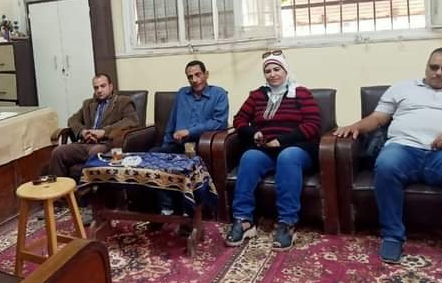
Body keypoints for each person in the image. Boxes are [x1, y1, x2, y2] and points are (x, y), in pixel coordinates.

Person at [334, 47, 442, 271]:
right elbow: (378, 118)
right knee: (386, 165)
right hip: (403, 147)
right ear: (426, 67)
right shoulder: (402, 87)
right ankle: (392, 236)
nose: (438, 72)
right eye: (434, 67)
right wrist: (355, 126)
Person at [225, 51, 320, 251]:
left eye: (277, 69)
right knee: (249, 157)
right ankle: (243, 220)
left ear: (285, 71)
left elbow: (313, 125)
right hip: (266, 148)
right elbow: (239, 120)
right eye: (267, 71)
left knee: (287, 156)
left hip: (297, 148)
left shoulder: (301, 93)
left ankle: (287, 222)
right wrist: (253, 133)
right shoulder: (257, 95)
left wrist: (282, 141)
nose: (272, 74)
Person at [152, 60, 229, 216]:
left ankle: (190, 211)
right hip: (178, 145)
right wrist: (166, 145)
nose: (194, 80)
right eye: (190, 77)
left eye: (197, 75)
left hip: (203, 147)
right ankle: (166, 208)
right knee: (155, 155)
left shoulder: (218, 94)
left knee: (187, 162)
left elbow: (219, 122)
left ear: (206, 74)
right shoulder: (182, 94)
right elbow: (172, 121)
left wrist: (189, 131)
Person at [48, 73, 139, 180]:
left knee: (95, 152)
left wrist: (104, 132)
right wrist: (82, 132)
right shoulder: (88, 104)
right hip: (86, 142)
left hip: (107, 144)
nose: (99, 90)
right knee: (58, 152)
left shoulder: (123, 102)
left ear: (110, 86)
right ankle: (60, 189)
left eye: (103, 86)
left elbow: (131, 121)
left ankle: (87, 187)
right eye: (96, 87)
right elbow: (73, 120)